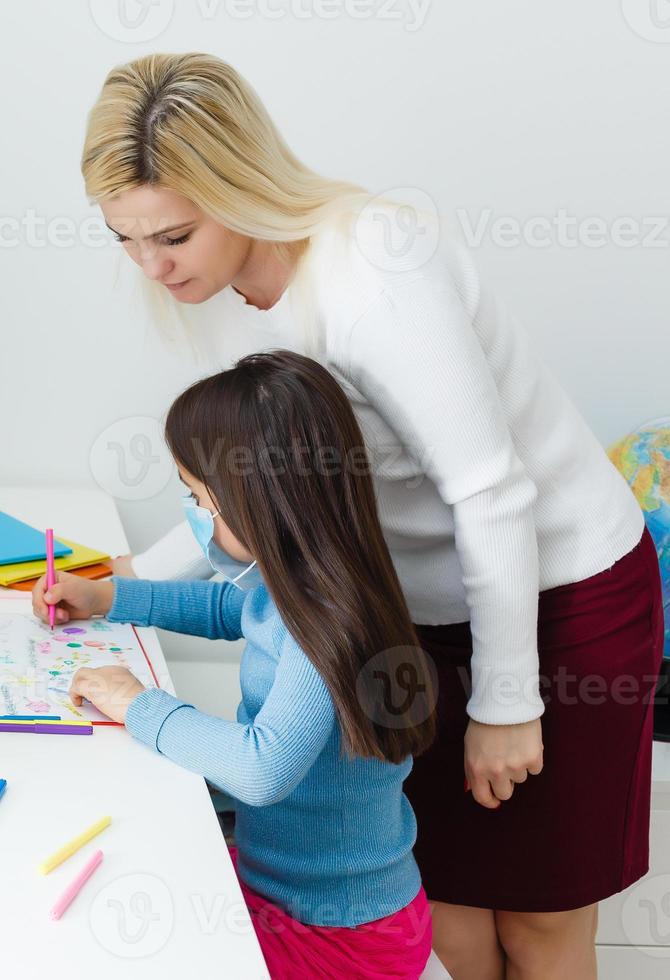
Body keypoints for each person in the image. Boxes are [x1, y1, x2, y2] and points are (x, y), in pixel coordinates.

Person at [80, 52, 663, 979]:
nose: (151, 267)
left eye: (174, 236)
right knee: (450, 902)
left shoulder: (376, 270)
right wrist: (121, 585)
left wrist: (507, 703)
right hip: (403, 614)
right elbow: (244, 494)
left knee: (539, 918)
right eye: (125, 239)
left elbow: (492, 493)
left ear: (237, 188)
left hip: (555, 600)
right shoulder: (219, 295)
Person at [39, 351, 435, 978]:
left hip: (339, 937)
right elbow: (231, 608)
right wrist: (110, 596)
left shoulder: (328, 622)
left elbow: (260, 770)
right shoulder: (317, 578)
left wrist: (137, 703)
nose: (193, 516)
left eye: (198, 498)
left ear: (260, 504)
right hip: (295, 893)